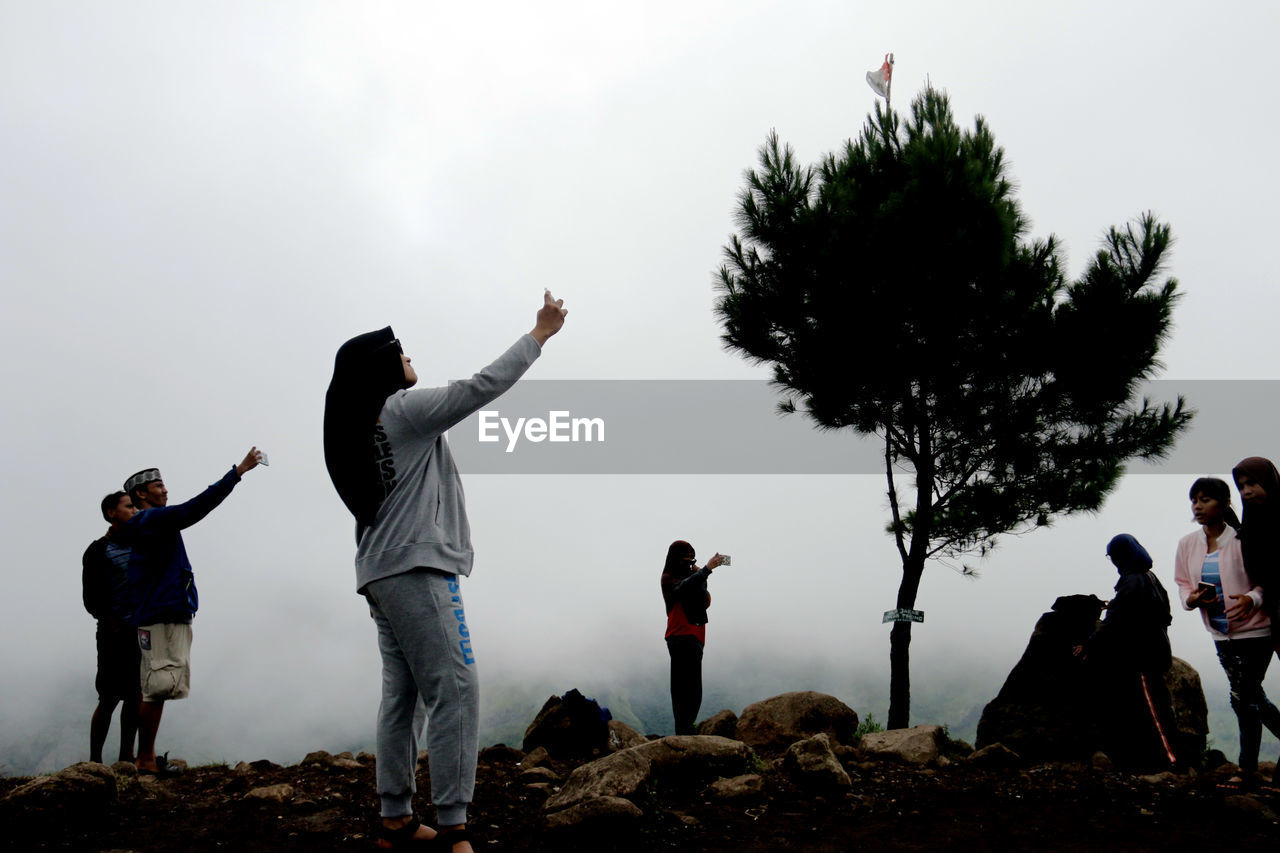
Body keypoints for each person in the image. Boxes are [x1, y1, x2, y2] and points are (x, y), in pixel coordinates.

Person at [324, 291, 566, 852]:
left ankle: (396, 819)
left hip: (378, 571)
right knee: (456, 686)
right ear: (382, 367)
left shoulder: (363, 426)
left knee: (402, 696)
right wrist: (540, 335)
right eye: (401, 352)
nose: (410, 358)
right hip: (417, 567)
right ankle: (454, 824)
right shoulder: (404, 411)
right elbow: (479, 387)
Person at [117, 450, 262, 776]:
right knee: (158, 684)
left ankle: (146, 757)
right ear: (141, 494)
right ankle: (146, 760)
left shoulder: (148, 524)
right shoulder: (153, 519)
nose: (165, 489)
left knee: (157, 684)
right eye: (158, 485)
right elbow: (197, 507)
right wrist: (237, 472)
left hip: (161, 611)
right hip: (163, 612)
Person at [1179, 476, 1280, 788]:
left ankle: (1246, 769)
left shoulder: (1243, 540)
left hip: (1256, 631)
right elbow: (1183, 583)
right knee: (1245, 699)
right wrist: (1191, 599)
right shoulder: (1188, 544)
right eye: (1194, 500)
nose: (1198, 506)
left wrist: (1253, 598)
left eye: (1206, 499)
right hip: (1221, 634)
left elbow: (1269, 578)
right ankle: (1247, 771)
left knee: (1245, 695)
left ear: (1224, 504)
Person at [1081, 534, 1177, 770]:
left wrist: (1089, 644)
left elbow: (1115, 621)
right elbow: (1166, 615)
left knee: (1153, 711)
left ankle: (1170, 761)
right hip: (1158, 650)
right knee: (1158, 706)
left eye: (1113, 556)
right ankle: (1162, 759)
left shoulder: (1132, 580)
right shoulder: (1150, 576)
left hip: (1143, 657)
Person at [83, 491, 140, 764]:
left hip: (141, 631)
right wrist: (112, 621)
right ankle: (95, 763)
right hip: (112, 633)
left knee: (135, 696)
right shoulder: (97, 551)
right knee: (108, 697)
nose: (135, 511)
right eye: (129, 507)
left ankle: (126, 759)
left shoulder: (143, 545)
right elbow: (90, 598)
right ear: (111, 513)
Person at [661, 541, 726, 736]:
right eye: (685, 559)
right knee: (682, 687)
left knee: (694, 688)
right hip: (679, 635)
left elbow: (705, 600)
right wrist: (705, 570)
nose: (689, 563)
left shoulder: (694, 578)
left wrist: (702, 576)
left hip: (697, 636)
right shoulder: (668, 579)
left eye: (691, 559)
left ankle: (688, 727)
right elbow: (681, 589)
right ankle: (683, 729)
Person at [1233, 456, 1280, 632]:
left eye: (1252, 483)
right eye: (1241, 486)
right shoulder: (1248, 529)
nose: (1246, 491)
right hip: (1270, 617)